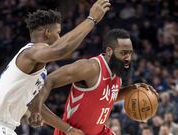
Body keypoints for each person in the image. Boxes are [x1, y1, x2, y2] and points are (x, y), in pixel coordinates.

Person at [0, 0, 111, 135]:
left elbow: (33, 104)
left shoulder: (36, 65)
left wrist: (67, 129)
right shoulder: (31, 52)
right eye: (58, 32)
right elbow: (61, 50)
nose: (59, 37)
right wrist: (91, 19)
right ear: (47, 33)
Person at [29, 29, 159, 135]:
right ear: (109, 51)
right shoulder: (90, 68)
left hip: (100, 132)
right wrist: (66, 129)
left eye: (130, 53)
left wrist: (132, 89)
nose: (128, 58)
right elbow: (50, 80)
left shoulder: (117, 71)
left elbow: (104, 97)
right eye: (124, 53)